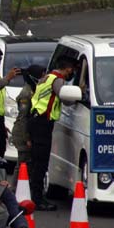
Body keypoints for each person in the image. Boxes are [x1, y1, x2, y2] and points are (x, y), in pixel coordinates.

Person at [28, 54, 78, 211]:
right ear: (68, 69)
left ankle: (34, 195)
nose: (72, 73)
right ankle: (37, 199)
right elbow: (65, 98)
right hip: (42, 123)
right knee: (41, 163)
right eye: (72, 70)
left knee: (37, 162)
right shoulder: (57, 79)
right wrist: (79, 95)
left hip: (36, 120)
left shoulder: (47, 77)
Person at [11, 65, 46, 179]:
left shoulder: (34, 90)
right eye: (42, 76)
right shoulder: (26, 94)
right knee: (22, 164)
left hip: (28, 133)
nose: (44, 78)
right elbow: (23, 118)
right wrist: (27, 138)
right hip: (22, 134)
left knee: (28, 164)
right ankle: (14, 189)